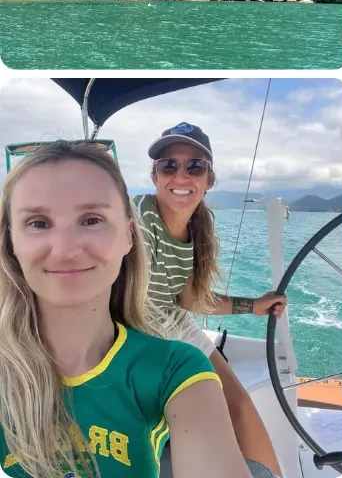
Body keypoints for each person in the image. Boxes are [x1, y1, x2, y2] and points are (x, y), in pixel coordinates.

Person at [0, 141, 251, 478]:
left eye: (91, 220)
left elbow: (192, 299)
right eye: (38, 223)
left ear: (129, 237)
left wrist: (254, 306)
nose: (65, 250)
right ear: (10, 241)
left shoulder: (176, 372)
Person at [134, 122, 287, 478]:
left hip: (174, 324)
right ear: (155, 176)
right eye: (168, 165)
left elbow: (191, 299)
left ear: (209, 180)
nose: (181, 174)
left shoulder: (198, 229)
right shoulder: (139, 217)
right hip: (137, 329)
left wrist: (254, 305)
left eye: (195, 166)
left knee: (240, 406)